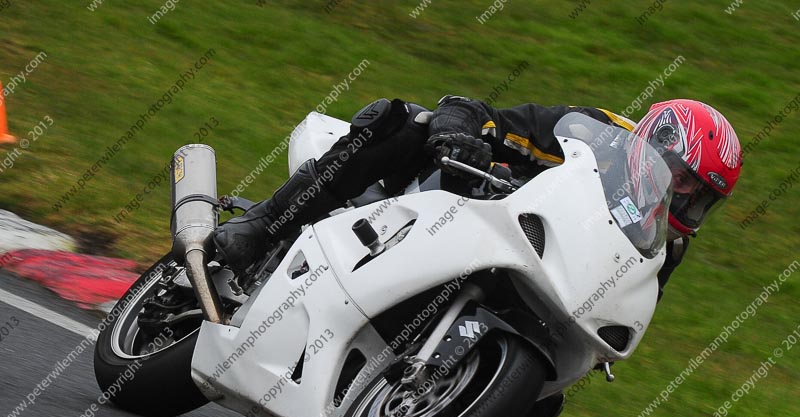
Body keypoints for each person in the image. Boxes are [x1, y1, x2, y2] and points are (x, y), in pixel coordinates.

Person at [213, 96, 742, 298]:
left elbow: (625, 296)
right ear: (654, 144)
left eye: (700, 191)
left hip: (515, 268)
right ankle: (260, 227)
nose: (685, 191)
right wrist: (459, 134)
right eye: (686, 174)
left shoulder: (662, 243)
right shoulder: (596, 132)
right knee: (406, 121)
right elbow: (479, 110)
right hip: (452, 197)